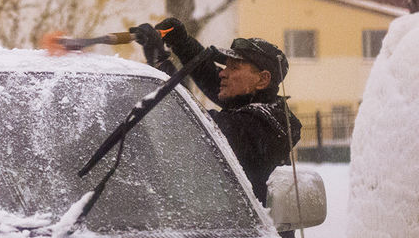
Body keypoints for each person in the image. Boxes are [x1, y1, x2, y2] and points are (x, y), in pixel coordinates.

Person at [129, 19, 302, 212]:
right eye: (224, 66)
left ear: (262, 79)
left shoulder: (260, 126)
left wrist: (159, 60)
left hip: (246, 236)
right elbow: (210, 75)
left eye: (234, 67)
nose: (222, 73)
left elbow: (189, 120)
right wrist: (182, 42)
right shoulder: (255, 106)